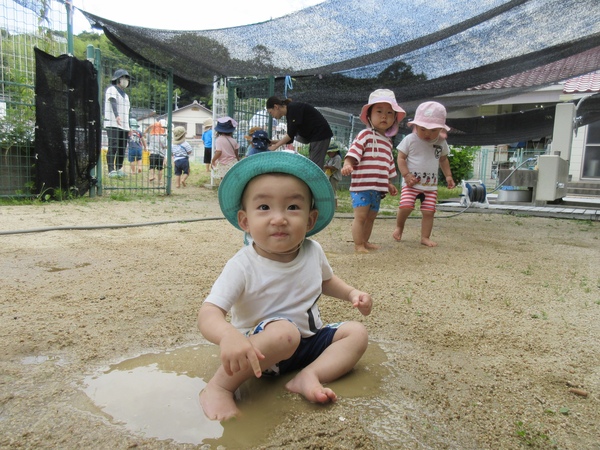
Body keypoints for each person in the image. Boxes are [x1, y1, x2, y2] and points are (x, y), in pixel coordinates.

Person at [197, 151, 373, 421]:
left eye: (292, 207)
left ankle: (309, 375)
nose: (279, 218)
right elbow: (209, 312)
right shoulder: (243, 265)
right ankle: (219, 387)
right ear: (245, 221)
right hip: (259, 352)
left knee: (356, 333)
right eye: (264, 207)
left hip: (308, 341)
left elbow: (325, 281)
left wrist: (352, 293)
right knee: (284, 333)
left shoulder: (313, 251)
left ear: (310, 220)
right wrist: (227, 336)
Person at [341, 89, 405, 253]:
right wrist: (348, 164)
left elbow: (387, 164)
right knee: (361, 217)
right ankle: (358, 244)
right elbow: (353, 153)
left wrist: (389, 183)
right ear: (369, 115)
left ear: (394, 119)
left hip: (378, 188)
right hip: (361, 186)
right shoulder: (365, 135)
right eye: (379, 111)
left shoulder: (388, 143)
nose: (384, 116)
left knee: (371, 218)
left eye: (389, 113)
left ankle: (365, 241)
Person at [393, 101, 456, 247]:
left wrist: (448, 176)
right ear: (415, 126)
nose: (428, 133)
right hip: (411, 183)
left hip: (430, 186)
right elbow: (400, 158)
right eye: (423, 129)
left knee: (429, 212)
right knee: (406, 206)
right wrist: (406, 175)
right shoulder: (410, 139)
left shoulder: (441, 142)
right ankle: (399, 226)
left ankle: (425, 237)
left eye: (433, 130)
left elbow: (443, 159)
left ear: (441, 128)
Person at [266, 96, 333, 169]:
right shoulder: (289, 113)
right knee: (313, 164)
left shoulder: (293, 109)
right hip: (314, 137)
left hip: (320, 135)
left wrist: (275, 146)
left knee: (315, 167)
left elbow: (290, 136)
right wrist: (272, 142)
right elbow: (290, 139)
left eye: (271, 112)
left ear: (276, 107)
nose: (272, 116)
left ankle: (316, 180)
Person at [104, 69, 131, 178]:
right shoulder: (111, 89)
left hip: (124, 125)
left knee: (122, 147)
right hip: (112, 123)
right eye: (123, 78)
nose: (125, 80)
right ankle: (111, 170)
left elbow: (128, 112)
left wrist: (130, 126)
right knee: (113, 146)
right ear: (118, 79)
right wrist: (116, 115)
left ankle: (119, 168)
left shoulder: (126, 96)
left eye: (127, 78)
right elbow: (113, 102)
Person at [211, 116, 239, 181]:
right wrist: (238, 161)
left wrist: (213, 160)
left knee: (223, 181)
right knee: (232, 180)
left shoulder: (219, 140)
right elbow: (236, 153)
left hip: (223, 164)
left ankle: (225, 191)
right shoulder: (234, 140)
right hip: (233, 163)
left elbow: (219, 152)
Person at [323, 142, 343, 208]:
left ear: (334, 151)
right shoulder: (331, 158)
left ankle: (335, 206)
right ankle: (331, 205)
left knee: (333, 191)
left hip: (334, 177)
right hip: (330, 176)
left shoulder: (337, 158)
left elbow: (335, 167)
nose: (328, 154)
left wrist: (327, 167)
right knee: (330, 191)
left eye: (330, 152)